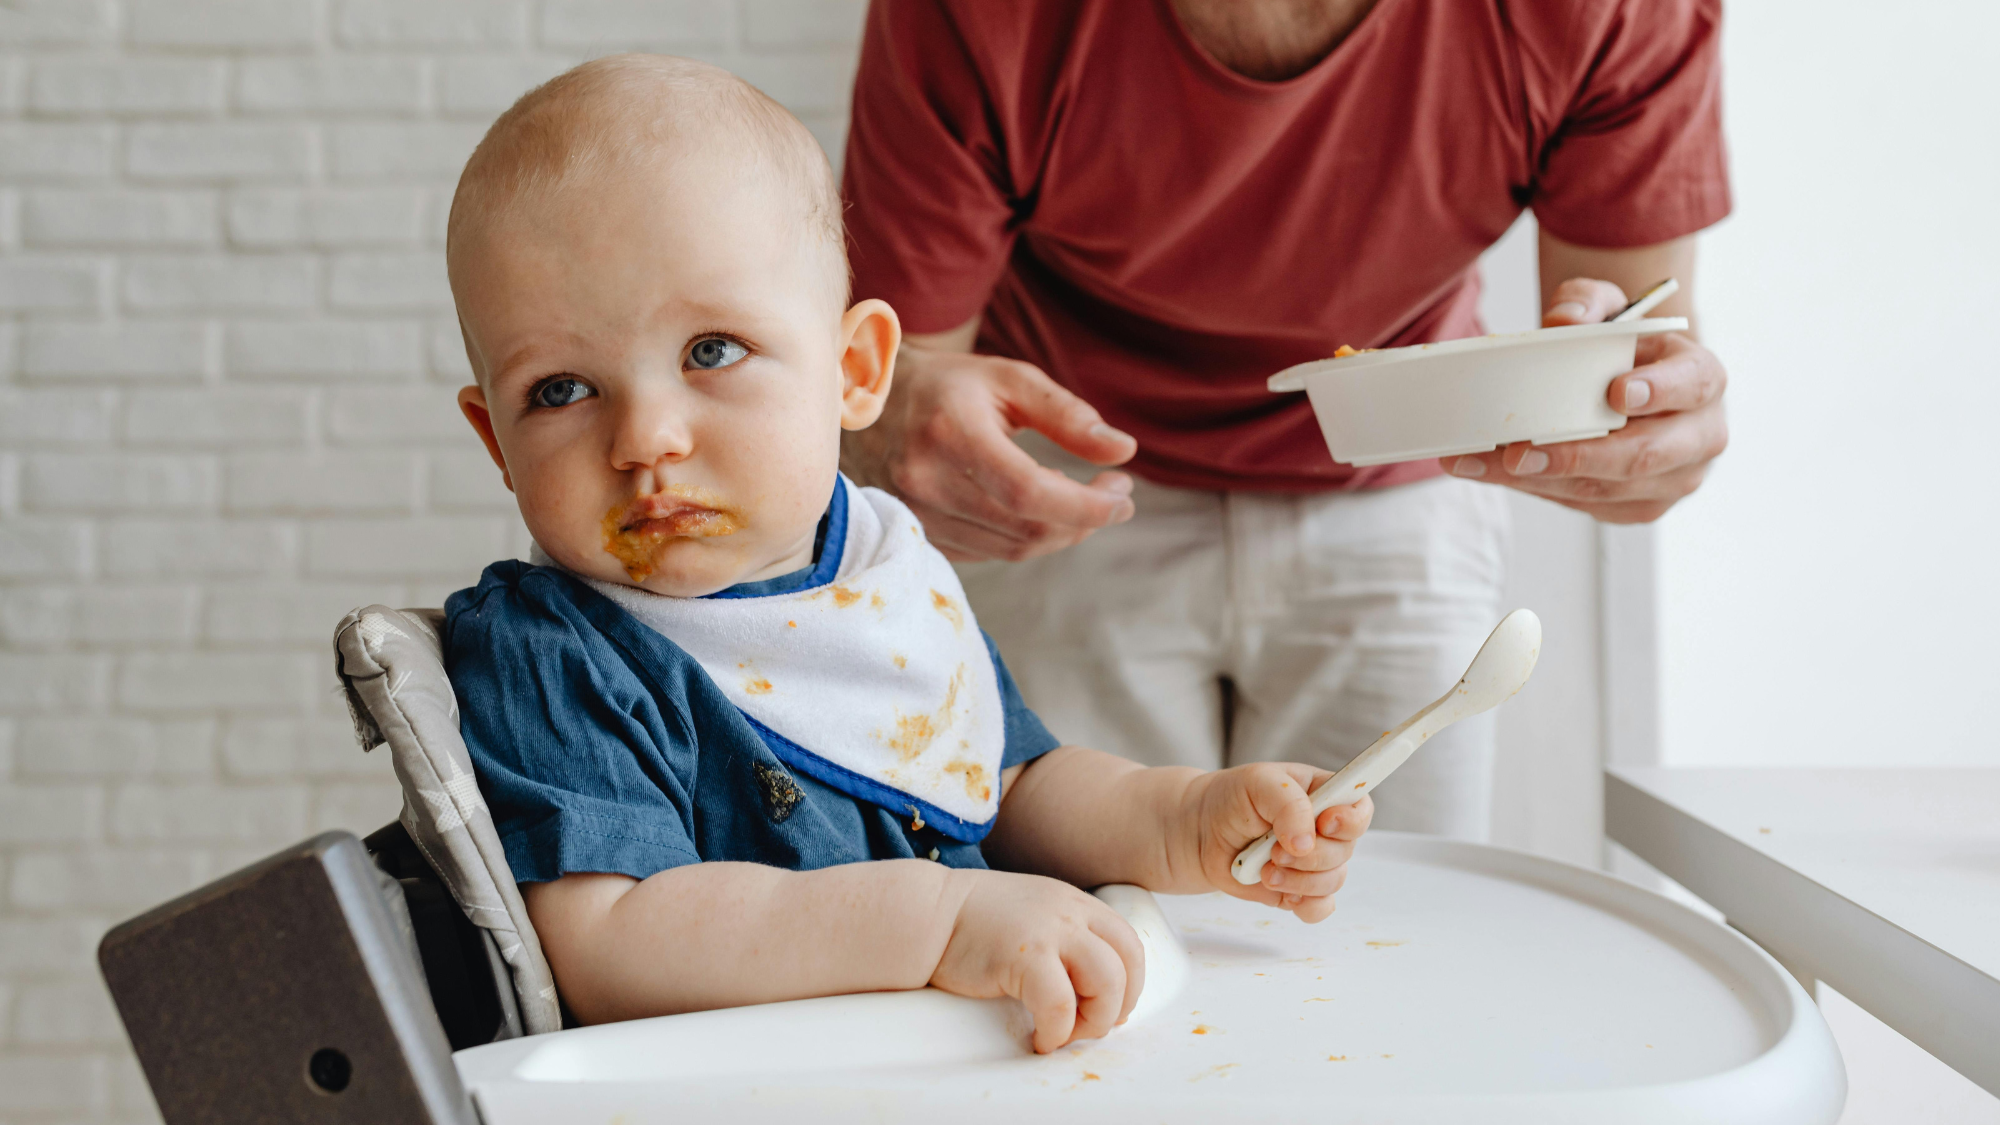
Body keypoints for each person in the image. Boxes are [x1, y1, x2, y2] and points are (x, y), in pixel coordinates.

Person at [439, 55, 1373, 1053]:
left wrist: (1182, 817)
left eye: (709, 351)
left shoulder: (878, 578)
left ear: (854, 372)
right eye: (560, 390)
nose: (644, 438)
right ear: (497, 442)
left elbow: (1007, 788)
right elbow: (613, 946)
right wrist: (939, 922)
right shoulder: (556, 649)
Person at [839, 0, 1732, 840]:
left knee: (1398, 917)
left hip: (1401, 474)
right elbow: (898, 369)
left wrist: (1641, 428)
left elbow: (1630, 347)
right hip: (1061, 475)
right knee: (1073, 928)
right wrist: (883, 421)